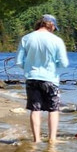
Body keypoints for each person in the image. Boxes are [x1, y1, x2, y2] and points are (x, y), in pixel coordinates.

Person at [16, 14, 68, 142]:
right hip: (50, 78)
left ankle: (37, 140)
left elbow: (19, 62)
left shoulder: (26, 38)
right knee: (53, 109)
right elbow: (64, 63)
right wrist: (54, 64)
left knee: (35, 109)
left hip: (32, 77)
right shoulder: (56, 40)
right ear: (52, 26)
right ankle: (52, 139)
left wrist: (29, 68)